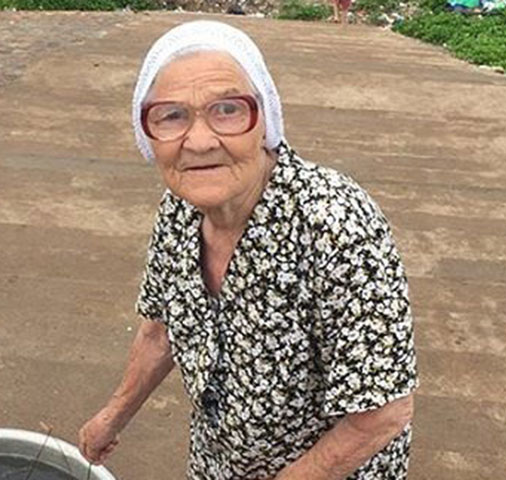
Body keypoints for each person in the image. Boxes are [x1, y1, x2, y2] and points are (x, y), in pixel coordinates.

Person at [78, 20, 418, 480]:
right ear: (148, 135)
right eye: (172, 116)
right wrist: (112, 415)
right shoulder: (179, 209)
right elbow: (161, 330)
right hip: (219, 462)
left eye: (227, 110)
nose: (198, 142)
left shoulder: (335, 223)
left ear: (265, 121)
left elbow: (384, 412)